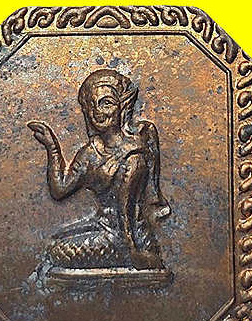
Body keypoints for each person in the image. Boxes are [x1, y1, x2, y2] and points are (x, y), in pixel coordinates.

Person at [28, 69, 171, 271]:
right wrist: (52, 148)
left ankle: (128, 255)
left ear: (123, 107)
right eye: (92, 105)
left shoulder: (134, 153)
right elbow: (60, 189)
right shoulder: (91, 153)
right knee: (54, 242)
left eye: (107, 103)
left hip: (129, 238)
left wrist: (133, 252)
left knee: (58, 251)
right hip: (103, 228)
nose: (98, 112)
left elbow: (125, 209)